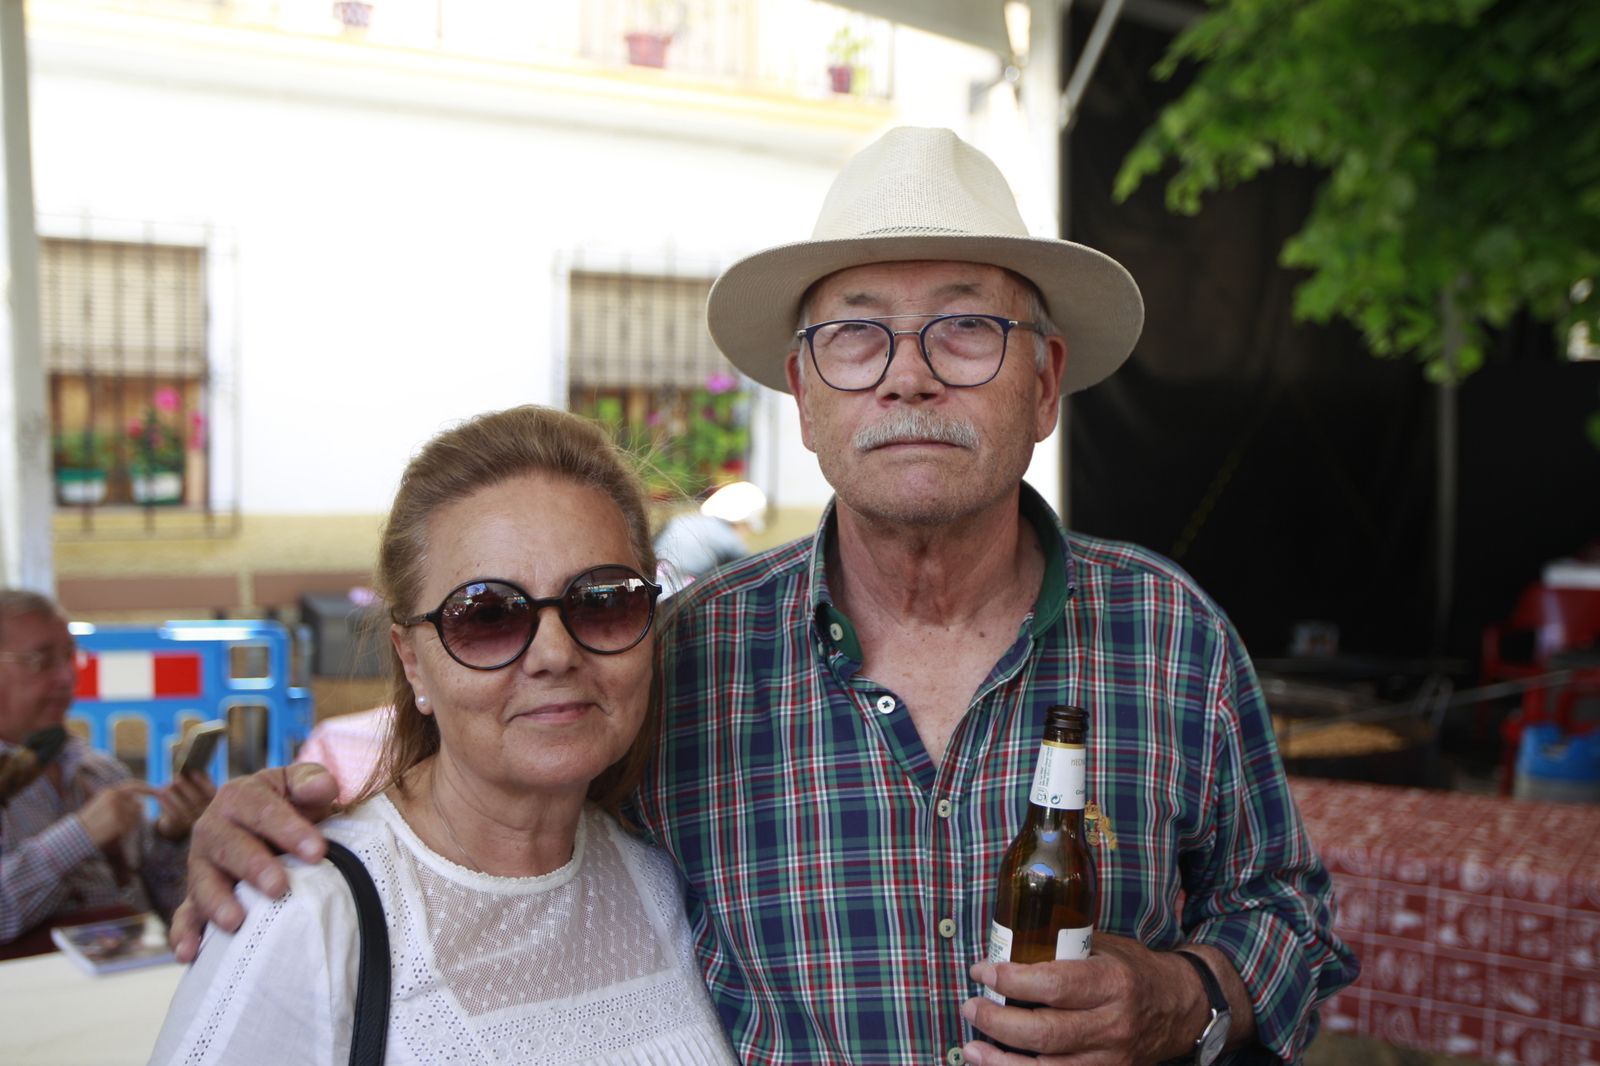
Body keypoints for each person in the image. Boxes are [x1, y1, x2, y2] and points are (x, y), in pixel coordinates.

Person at [174, 128, 1358, 1064]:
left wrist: (1183, 998)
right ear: (803, 390)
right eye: (856, 335)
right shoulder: (672, 657)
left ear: (1043, 381)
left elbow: (1291, 916)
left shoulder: (1170, 637)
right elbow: (491, 830)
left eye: (966, 327)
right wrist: (264, 848)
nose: (905, 373)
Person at [149, 406, 734, 1064]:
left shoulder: (665, 879)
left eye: (603, 601)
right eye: (486, 615)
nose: (554, 654)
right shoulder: (306, 917)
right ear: (411, 662)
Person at [0, 589, 213, 956]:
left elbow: (165, 908)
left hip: (129, 979)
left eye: (70, 656)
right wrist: (81, 835)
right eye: (41, 660)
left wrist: (172, 835)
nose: (67, 676)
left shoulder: (100, 771)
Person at [653, 480, 767, 595]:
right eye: (748, 528)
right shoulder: (730, 541)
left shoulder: (680, 521)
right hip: (680, 596)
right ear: (742, 522)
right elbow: (750, 577)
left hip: (651, 588)